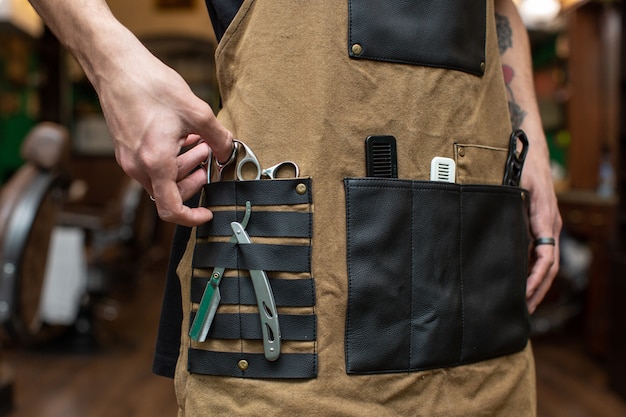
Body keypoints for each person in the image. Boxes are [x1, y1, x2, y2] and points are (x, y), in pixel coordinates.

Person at [28, 0, 562, 415]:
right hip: (295, 356)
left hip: (481, 335)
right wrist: (112, 66)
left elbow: (497, 7)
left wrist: (528, 134)